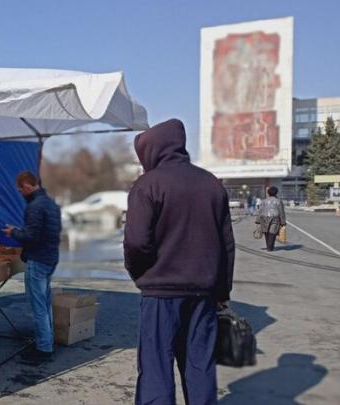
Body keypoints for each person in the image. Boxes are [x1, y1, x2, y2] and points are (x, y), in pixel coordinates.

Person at [124, 119, 235, 405]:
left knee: (157, 366)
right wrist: (222, 292)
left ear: (151, 151)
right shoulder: (211, 184)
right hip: (204, 293)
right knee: (200, 365)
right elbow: (227, 246)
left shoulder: (147, 185)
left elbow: (137, 242)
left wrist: (141, 275)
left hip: (161, 293)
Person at [3, 171, 61, 364]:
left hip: (38, 258)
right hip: (50, 256)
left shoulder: (35, 207)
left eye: (20, 190)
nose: (20, 193)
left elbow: (31, 236)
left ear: (27, 187)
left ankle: (44, 348)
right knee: (44, 303)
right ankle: (48, 340)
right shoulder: (50, 202)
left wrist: (14, 232)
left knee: (38, 306)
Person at [255, 186, 286, 252]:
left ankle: (268, 246)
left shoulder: (263, 201)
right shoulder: (278, 201)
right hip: (275, 217)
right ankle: (270, 247)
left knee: (266, 231)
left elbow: (260, 211)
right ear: (276, 193)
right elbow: (281, 211)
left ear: (268, 193)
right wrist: (283, 222)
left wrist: (257, 220)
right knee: (273, 232)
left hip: (264, 217)